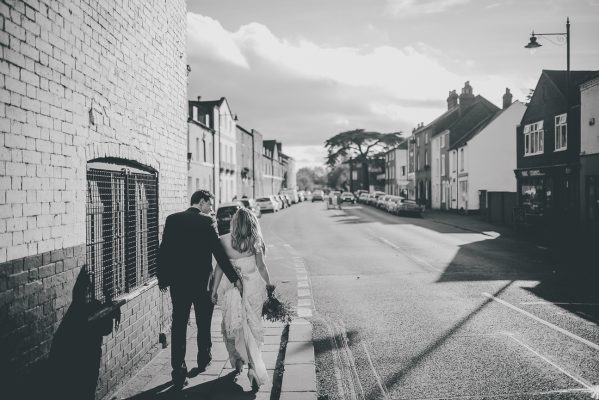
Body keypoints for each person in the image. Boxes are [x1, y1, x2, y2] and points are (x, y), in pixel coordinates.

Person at [157, 190, 243, 390]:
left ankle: (178, 370)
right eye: (210, 205)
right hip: (202, 283)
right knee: (203, 321)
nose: (211, 209)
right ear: (202, 202)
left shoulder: (172, 219)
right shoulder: (206, 222)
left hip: (178, 283)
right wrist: (234, 278)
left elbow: (164, 250)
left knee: (178, 323)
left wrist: (163, 279)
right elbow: (219, 254)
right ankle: (204, 358)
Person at [211, 208, 271, 393]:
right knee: (252, 325)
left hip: (231, 288)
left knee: (232, 325)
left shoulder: (223, 241)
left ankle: (237, 360)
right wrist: (269, 286)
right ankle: (254, 367)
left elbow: (220, 268)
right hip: (253, 288)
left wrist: (213, 291)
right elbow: (261, 266)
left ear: (234, 222)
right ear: (252, 223)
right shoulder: (256, 242)